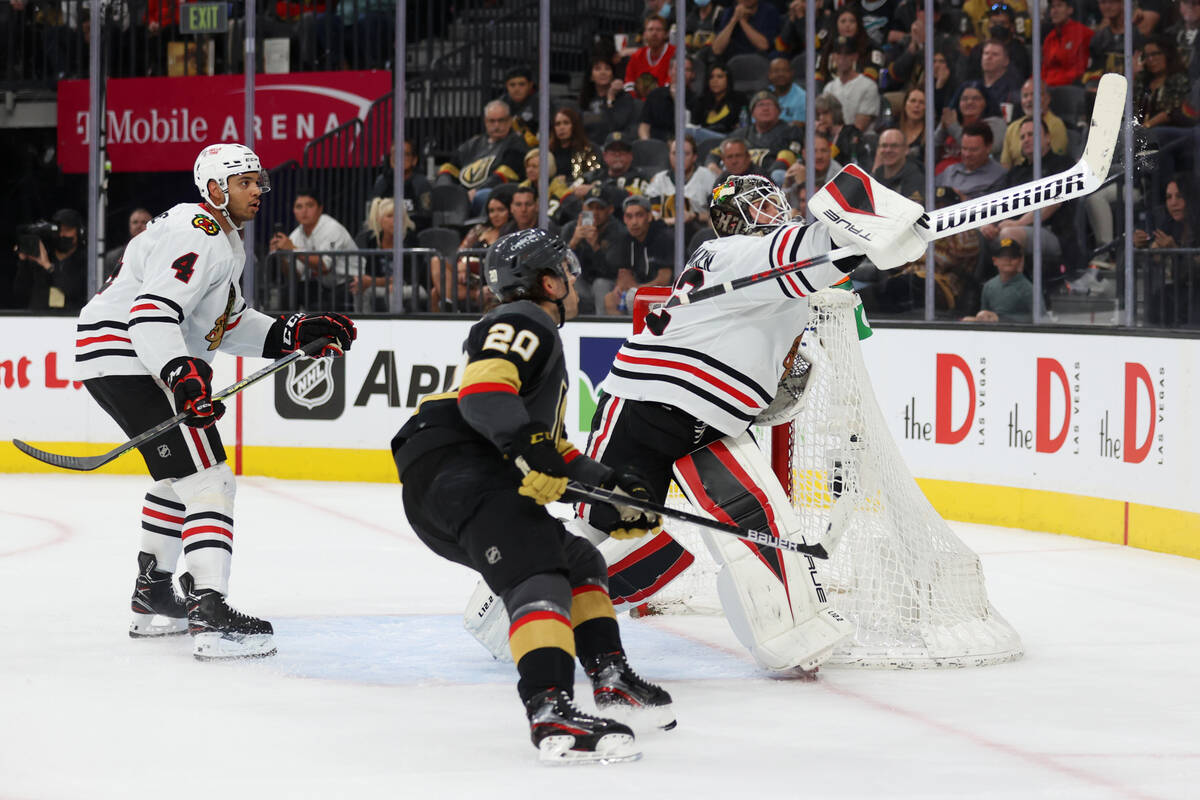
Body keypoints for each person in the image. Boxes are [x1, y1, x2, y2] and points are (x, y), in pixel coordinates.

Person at [465, 170, 930, 675]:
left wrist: (892, 244)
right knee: (602, 523)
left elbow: (823, 275)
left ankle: (792, 636)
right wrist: (862, 230)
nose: (775, 212)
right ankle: (507, 611)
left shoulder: (779, 278)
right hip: (645, 406)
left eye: (775, 203)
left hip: (715, 419)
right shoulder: (729, 253)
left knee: (759, 522)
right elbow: (809, 253)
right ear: (731, 220)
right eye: (761, 206)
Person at [390, 229, 672, 764]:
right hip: (461, 469)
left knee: (579, 559)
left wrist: (612, 488)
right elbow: (483, 393)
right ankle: (550, 708)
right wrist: (527, 449)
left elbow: (551, 447)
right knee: (538, 569)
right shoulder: (524, 319)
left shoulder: (537, 342)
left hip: (455, 477)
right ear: (546, 280)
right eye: (564, 270)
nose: (573, 279)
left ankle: (610, 677)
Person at [73, 143, 356, 660]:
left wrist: (295, 330)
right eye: (244, 181)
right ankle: (210, 610)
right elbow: (151, 313)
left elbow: (225, 325)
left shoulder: (220, 239)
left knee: (179, 477)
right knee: (211, 479)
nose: (257, 190)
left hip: (111, 355)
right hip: (132, 354)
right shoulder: (197, 231)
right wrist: (181, 376)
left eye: (257, 181)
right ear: (214, 188)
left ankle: (154, 598)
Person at [269, 187, 358, 312]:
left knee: (329, 300)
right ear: (294, 211)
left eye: (310, 205)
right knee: (290, 290)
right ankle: (285, 325)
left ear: (320, 208)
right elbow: (296, 276)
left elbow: (325, 267)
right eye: (299, 207)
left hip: (350, 283)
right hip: (325, 285)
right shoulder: (296, 234)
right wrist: (282, 256)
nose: (304, 211)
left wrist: (293, 249)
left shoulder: (331, 228)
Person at [436, 100, 527, 212]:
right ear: (485, 122)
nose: (496, 125)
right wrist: (444, 186)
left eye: (501, 121)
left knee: (483, 195)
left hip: (494, 195)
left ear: (509, 121)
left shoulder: (516, 143)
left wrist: (476, 191)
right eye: (492, 121)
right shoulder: (473, 143)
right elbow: (449, 168)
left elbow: (503, 176)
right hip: (465, 194)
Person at [716, 90, 805, 186]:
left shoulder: (791, 130)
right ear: (752, 113)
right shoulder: (740, 134)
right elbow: (717, 152)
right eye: (760, 105)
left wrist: (765, 176)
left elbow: (792, 155)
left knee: (778, 174)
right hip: (743, 175)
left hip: (774, 177)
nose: (765, 108)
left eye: (769, 104)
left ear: (779, 111)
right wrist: (712, 163)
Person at [604, 195, 674, 315]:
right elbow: (623, 273)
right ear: (624, 219)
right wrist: (619, 288)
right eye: (629, 216)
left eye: (639, 215)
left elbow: (664, 279)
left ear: (649, 216)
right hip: (638, 288)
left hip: (666, 292)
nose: (634, 222)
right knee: (610, 299)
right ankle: (622, 333)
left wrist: (638, 289)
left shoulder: (663, 237)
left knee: (633, 297)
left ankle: (640, 332)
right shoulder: (626, 238)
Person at [564, 186, 626, 314]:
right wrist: (573, 243)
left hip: (608, 285)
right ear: (583, 208)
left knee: (600, 284)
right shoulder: (571, 229)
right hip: (582, 283)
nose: (595, 213)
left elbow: (612, 272)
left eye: (600, 208)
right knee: (570, 281)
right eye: (590, 208)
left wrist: (595, 246)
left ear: (610, 210)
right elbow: (558, 267)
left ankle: (602, 328)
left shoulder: (618, 232)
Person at [11, 207, 88, 311]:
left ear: (79, 232)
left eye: (67, 230)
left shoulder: (86, 261)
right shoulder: (41, 256)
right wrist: (23, 261)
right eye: (58, 230)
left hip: (70, 320)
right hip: (39, 320)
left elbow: (74, 290)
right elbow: (20, 293)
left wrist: (48, 267)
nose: (62, 234)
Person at [644, 133, 717, 231]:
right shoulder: (659, 180)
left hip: (698, 231)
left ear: (694, 157)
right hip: (664, 232)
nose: (680, 158)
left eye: (685, 154)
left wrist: (694, 216)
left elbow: (717, 214)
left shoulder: (708, 177)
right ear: (669, 155)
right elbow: (652, 216)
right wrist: (674, 220)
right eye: (675, 153)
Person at [371, 139, 434, 241]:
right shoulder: (382, 181)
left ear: (414, 160)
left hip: (413, 238)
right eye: (394, 154)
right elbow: (373, 213)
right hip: (384, 236)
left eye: (404, 154)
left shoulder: (421, 183)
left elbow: (426, 217)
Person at [999, 79, 1069, 168]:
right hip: (1018, 177)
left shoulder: (1056, 125)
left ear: (1047, 98)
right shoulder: (1012, 128)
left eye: (1034, 94)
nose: (1029, 99)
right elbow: (1005, 165)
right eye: (1025, 96)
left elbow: (1055, 161)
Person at [961, 238, 1032, 322]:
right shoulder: (989, 286)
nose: (1008, 259)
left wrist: (1000, 319)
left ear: (1020, 260)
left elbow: (1038, 318)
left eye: (1013, 256)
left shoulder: (1028, 288)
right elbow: (985, 315)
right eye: (1003, 256)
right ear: (995, 260)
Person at [934, 81, 1007, 162]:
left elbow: (991, 149)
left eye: (976, 99)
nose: (969, 102)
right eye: (964, 99)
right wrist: (943, 128)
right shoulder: (952, 121)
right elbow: (929, 155)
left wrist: (953, 127)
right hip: (941, 173)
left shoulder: (996, 123)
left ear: (986, 102)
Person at [821, 36, 881, 132]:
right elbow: (824, 120)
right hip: (833, 141)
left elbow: (859, 127)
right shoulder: (829, 88)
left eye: (847, 54)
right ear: (833, 57)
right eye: (839, 54)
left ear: (855, 56)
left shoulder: (868, 86)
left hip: (860, 142)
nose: (842, 58)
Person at [936, 122, 1007, 201]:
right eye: (964, 148)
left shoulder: (999, 177)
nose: (967, 154)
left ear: (988, 147)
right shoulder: (949, 171)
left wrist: (961, 199)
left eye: (973, 150)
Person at [579, 55, 639, 143]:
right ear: (591, 76)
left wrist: (610, 99)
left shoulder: (624, 99)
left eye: (607, 69)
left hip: (614, 147)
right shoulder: (586, 99)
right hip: (589, 148)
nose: (603, 72)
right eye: (597, 69)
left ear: (613, 75)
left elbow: (615, 127)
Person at [1042, 0, 1094, 87]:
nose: (1055, 11)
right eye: (1052, 7)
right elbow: (1044, 69)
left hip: (1070, 88)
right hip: (1048, 87)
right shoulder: (1049, 38)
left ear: (1070, 10)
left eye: (1059, 6)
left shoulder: (1083, 33)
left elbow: (1078, 72)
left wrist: (1048, 83)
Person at [624, 13, 675, 97]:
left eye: (658, 30)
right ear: (644, 34)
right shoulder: (637, 56)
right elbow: (628, 83)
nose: (654, 33)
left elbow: (671, 86)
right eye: (650, 30)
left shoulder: (674, 53)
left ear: (666, 34)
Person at [711, 0, 781, 58]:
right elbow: (717, 49)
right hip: (732, 60)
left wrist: (742, 21)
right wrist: (734, 20)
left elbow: (764, 46)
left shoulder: (769, 11)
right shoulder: (729, 12)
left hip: (760, 60)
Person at [549, 107, 601, 184]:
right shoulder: (549, 151)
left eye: (566, 123)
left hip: (578, 189)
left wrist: (567, 180)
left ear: (575, 126)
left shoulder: (588, 148)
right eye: (558, 124)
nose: (561, 127)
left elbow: (595, 173)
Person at [693, 62, 748, 136]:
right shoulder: (701, 101)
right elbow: (695, 125)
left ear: (728, 80)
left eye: (720, 76)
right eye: (711, 77)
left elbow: (741, 125)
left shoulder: (739, 99)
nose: (715, 81)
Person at [872, 128, 924, 203]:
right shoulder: (875, 177)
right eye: (884, 145)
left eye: (894, 146)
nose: (888, 150)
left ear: (906, 150)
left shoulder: (916, 178)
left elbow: (911, 212)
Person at [104, 207, 152, 278]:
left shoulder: (158, 252)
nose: (139, 226)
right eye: (135, 222)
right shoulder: (113, 257)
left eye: (144, 222)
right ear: (129, 226)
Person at [977, 39, 1022, 114]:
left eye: (995, 54)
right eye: (986, 53)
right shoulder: (973, 86)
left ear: (1006, 61)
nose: (988, 57)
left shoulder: (1012, 91)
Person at [500, 66, 539, 148]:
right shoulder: (501, 104)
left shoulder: (540, 102)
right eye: (512, 85)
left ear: (530, 85)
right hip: (506, 148)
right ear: (507, 86)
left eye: (521, 84)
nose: (516, 89)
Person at [767, 56, 806, 125]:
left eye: (785, 70)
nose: (781, 74)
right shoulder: (764, 95)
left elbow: (797, 128)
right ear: (769, 75)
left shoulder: (802, 97)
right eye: (776, 71)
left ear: (792, 73)